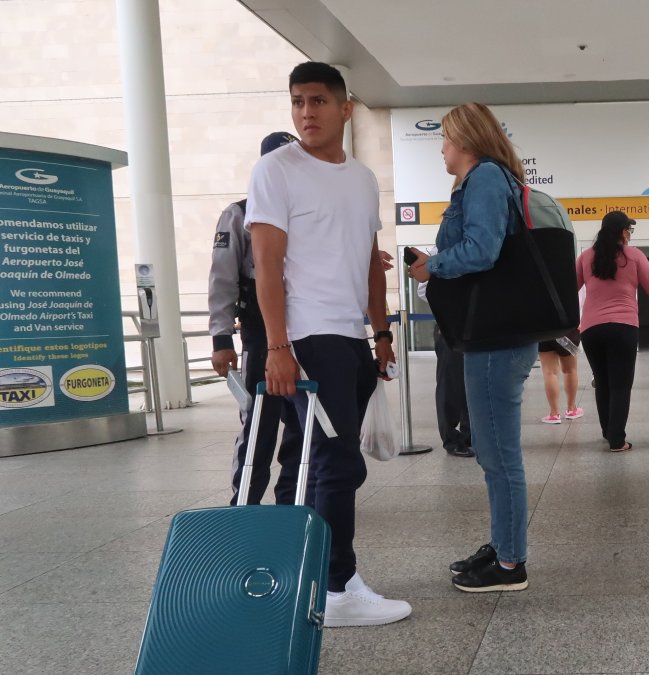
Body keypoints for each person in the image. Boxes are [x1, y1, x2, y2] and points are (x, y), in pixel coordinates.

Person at [246, 61, 411, 627]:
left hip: (350, 340)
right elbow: (267, 266)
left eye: (317, 101)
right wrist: (276, 347)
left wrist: (380, 332)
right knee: (338, 464)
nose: (305, 112)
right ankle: (337, 589)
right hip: (307, 338)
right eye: (297, 102)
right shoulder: (276, 170)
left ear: (345, 107)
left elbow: (369, 261)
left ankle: (312, 576)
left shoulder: (362, 178)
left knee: (323, 464)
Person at [408, 102, 537, 593]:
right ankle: (504, 547)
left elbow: (482, 250)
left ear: (464, 140)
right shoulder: (493, 179)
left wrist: (432, 266)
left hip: (494, 340)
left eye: (444, 138)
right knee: (494, 452)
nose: (441, 148)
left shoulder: (484, 177)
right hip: (498, 336)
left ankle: (510, 565)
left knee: (499, 455)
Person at [209, 131, 303, 507]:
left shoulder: (305, 211)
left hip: (305, 326)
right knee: (260, 423)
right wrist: (220, 339)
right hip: (261, 331)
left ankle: (291, 501)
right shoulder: (240, 214)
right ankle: (245, 503)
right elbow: (222, 278)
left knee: (301, 421)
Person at [576, 211, 649, 452]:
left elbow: (570, 286)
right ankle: (617, 440)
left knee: (603, 382)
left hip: (591, 329)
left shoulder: (587, 257)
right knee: (620, 385)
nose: (630, 234)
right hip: (623, 328)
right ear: (622, 232)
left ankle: (608, 431)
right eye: (629, 229)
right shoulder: (634, 256)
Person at [416, 251, 474, 458]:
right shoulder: (439, 252)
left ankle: (470, 436)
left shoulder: (478, 249)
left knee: (473, 383)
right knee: (450, 383)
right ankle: (451, 438)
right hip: (449, 324)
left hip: (476, 325)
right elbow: (423, 289)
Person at [537, 330, 583, 424]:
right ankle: (571, 409)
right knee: (570, 370)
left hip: (543, 333)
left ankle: (554, 414)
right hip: (567, 332)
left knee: (550, 372)